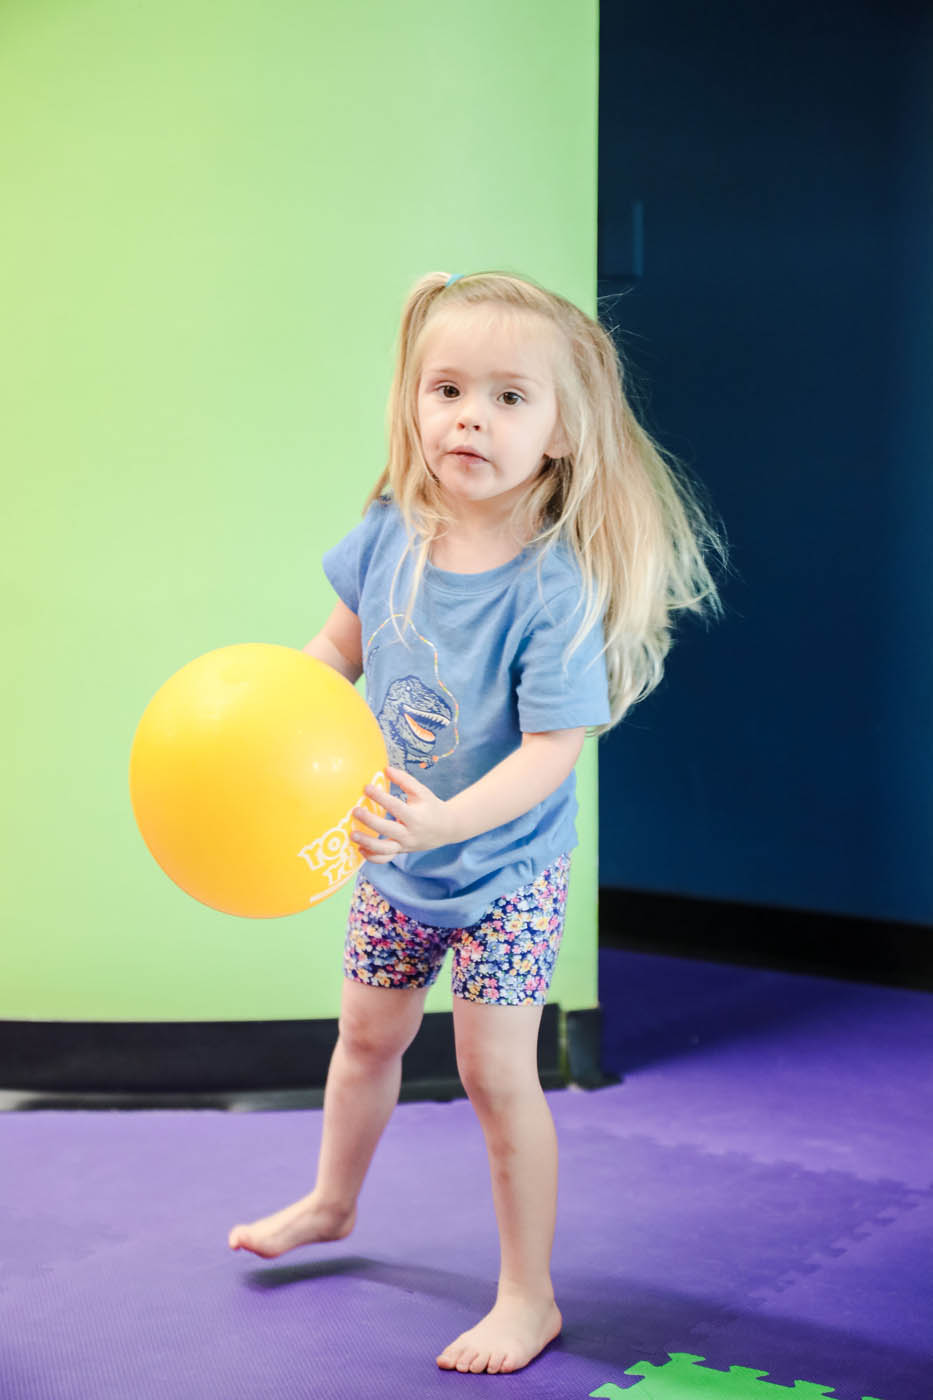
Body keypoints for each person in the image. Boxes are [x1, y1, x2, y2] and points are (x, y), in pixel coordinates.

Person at [228, 270, 726, 1374]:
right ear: (413, 400)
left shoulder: (553, 590)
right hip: (393, 858)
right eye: (447, 387)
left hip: (504, 872)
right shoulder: (386, 534)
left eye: (510, 398)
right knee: (365, 1038)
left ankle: (527, 1293)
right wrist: (267, 711)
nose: (469, 416)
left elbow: (553, 755)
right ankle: (332, 1198)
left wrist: (445, 817)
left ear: (560, 434)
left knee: (498, 1075)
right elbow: (335, 653)